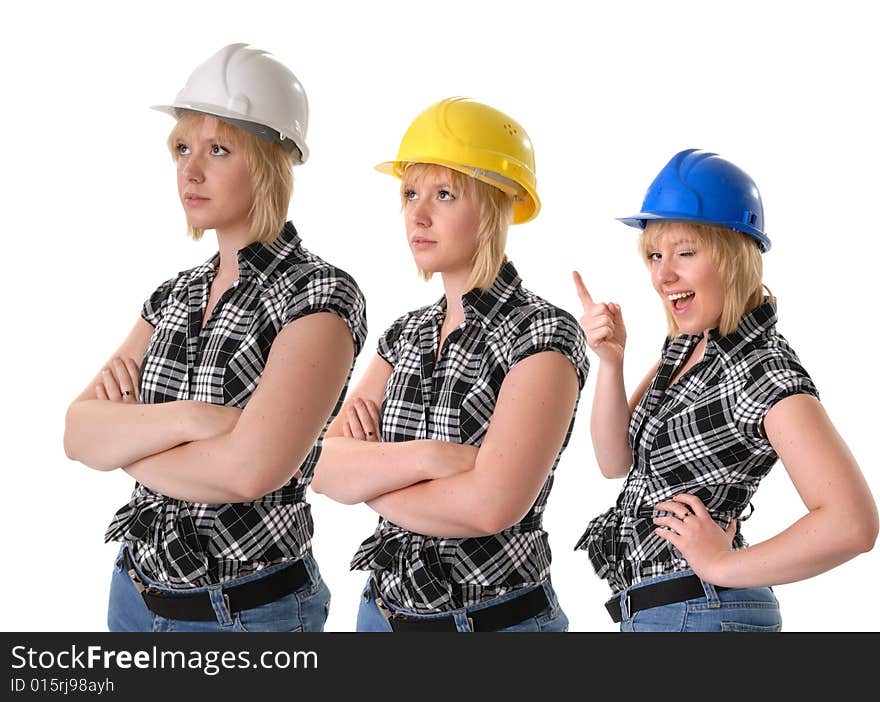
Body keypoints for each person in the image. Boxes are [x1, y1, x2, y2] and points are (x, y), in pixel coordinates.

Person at [63, 43, 367, 632]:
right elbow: (78, 433)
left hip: (247, 611)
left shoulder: (320, 296)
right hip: (133, 591)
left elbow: (249, 473)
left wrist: (127, 443)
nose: (189, 170)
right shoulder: (174, 294)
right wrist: (190, 421)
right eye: (182, 148)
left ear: (270, 161)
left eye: (218, 149)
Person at [311, 97, 589, 632]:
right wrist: (436, 458)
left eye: (443, 194)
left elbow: (490, 507)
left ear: (495, 204)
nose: (418, 214)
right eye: (411, 193)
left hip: (493, 624)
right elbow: (321, 468)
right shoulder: (405, 333)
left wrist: (370, 478)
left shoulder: (544, 335)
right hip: (381, 617)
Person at [573, 148, 877, 632]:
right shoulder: (686, 346)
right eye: (654, 255)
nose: (662, 274)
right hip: (671, 611)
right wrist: (611, 363)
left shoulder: (765, 371)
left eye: (686, 252)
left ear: (736, 256)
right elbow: (616, 464)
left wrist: (720, 564)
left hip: (699, 609)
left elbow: (853, 525)